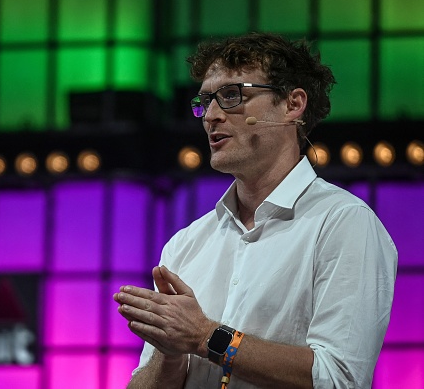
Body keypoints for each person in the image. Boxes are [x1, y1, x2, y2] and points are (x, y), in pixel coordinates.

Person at [113, 32, 397, 388]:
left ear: (293, 105)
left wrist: (205, 336)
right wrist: (170, 351)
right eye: (205, 102)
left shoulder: (342, 223)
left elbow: (340, 378)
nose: (211, 116)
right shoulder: (185, 244)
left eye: (232, 96)